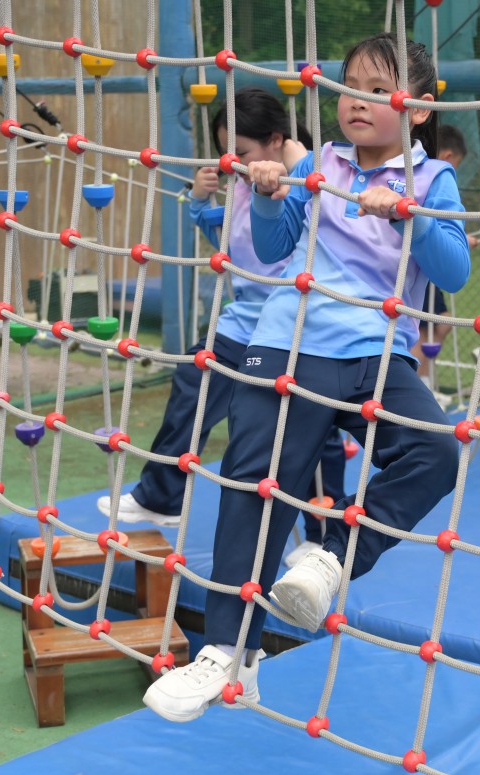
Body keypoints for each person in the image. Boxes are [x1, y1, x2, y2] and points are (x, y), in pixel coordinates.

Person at [143, 33, 470, 723]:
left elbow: (454, 273)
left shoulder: (431, 178)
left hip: (376, 349)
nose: (358, 101)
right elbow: (271, 248)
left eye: (379, 91)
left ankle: (334, 556)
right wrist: (267, 195)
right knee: (256, 482)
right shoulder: (322, 164)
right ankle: (227, 653)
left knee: (436, 450)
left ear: (417, 110)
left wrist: (408, 215)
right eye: (351, 87)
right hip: (289, 341)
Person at [97, 88, 342, 549]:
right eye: (225, 154)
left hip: (298, 325)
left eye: (241, 153)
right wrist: (198, 201)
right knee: (196, 379)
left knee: (311, 425)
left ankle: (322, 534)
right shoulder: (245, 186)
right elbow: (235, 245)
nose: (233, 164)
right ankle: (162, 496)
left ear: (275, 140)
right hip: (246, 321)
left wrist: (299, 168)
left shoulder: (313, 180)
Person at [410, 124, 472, 395]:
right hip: (420, 266)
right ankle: (419, 382)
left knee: (438, 323)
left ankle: (423, 381)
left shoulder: (433, 180)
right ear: (447, 156)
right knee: (424, 325)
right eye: (456, 163)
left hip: (432, 263)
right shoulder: (432, 178)